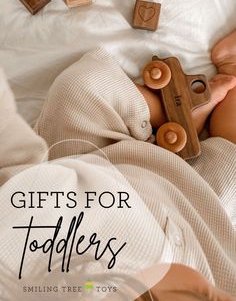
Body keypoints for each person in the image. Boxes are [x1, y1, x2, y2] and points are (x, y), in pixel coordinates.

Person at [0, 31, 236, 301]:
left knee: (79, 88)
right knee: (231, 155)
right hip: (195, 214)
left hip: (96, 174)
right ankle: (184, 111)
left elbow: (15, 164)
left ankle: (174, 122)